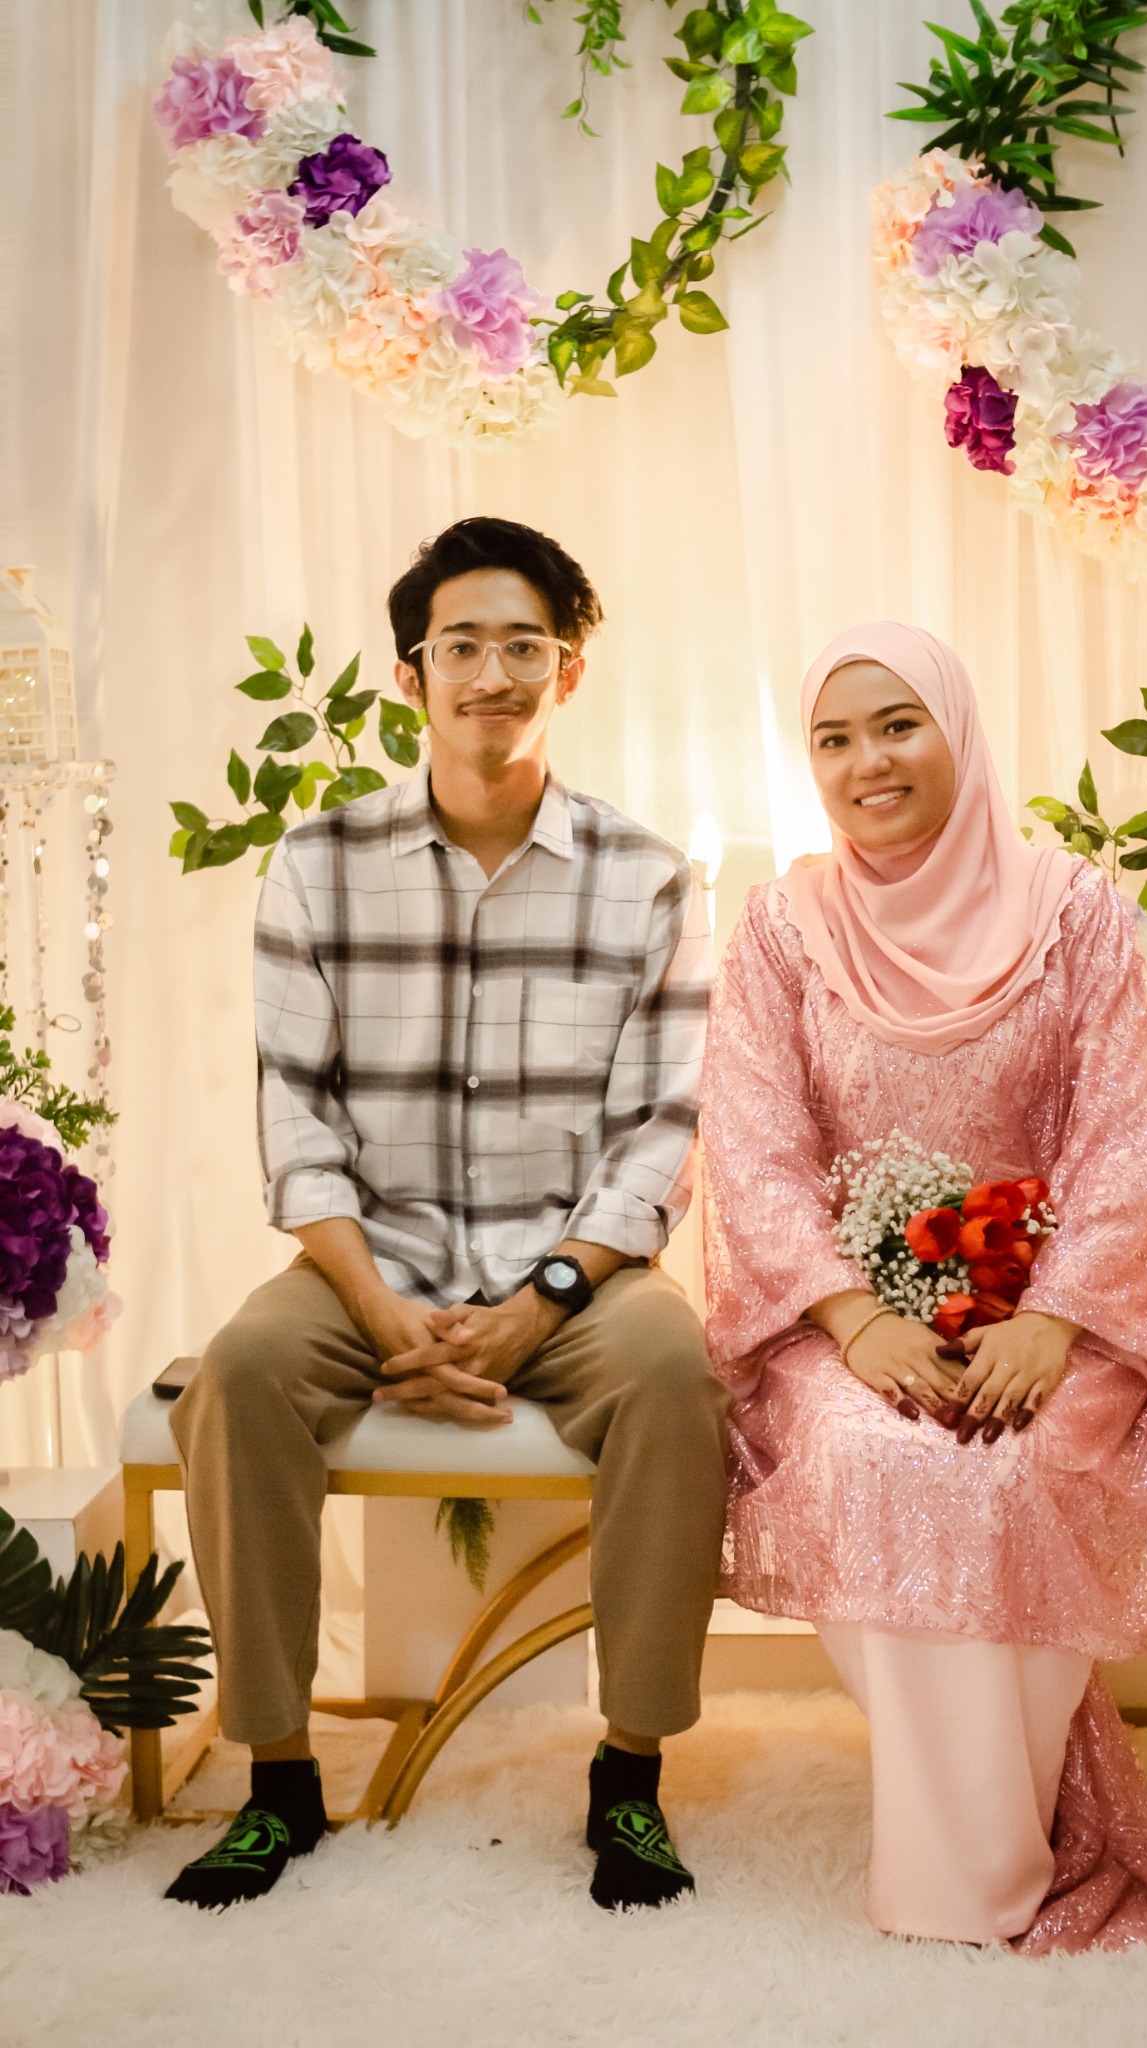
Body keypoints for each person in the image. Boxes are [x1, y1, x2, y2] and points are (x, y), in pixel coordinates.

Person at [700, 621, 1147, 1952]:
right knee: (877, 1460)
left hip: (1051, 1315)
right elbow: (753, 1147)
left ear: (958, 732)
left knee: (1007, 1472)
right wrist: (853, 1318)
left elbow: (1120, 1137)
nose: (868, 761)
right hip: (840, 1326)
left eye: (897, 724)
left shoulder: (1070, 907)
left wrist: (1053, 1318)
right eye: (834, 738)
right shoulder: (781, 926)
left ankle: (967, 1865)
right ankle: (971, 1859)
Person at [167, 517, 728, 1913]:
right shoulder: (317, 863)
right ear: (411, 673)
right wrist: (379, 1315)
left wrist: (541, 1304)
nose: (492, 672)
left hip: (577, 1274)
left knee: (676, 1373)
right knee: (240, 1373)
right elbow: (296, 1119)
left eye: (522, 645)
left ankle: (631, 1773)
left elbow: (662, 1133)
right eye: (460, 645)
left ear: (569, 670)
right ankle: (279, 1777)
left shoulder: (651, 878)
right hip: (373, 1264)